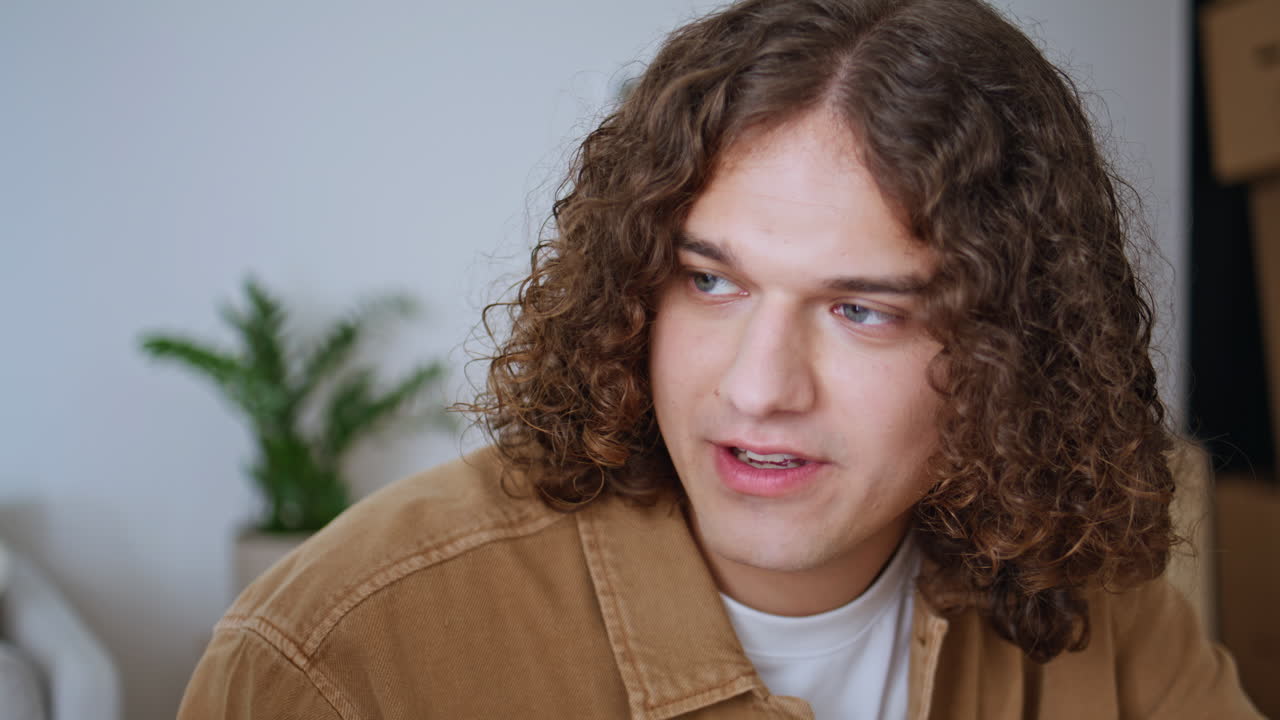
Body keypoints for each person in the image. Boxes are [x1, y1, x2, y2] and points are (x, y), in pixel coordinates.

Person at [179, 0, 1262, 717]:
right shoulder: (337, 654)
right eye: (710, 282)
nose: (756, 388)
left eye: (861, 311)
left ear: (1010, 351)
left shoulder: (1093, 608)